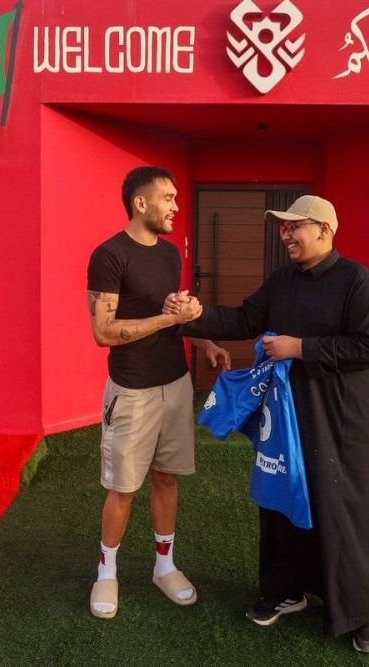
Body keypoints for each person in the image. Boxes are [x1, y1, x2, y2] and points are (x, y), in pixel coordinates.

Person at [168, 194, 369, 653]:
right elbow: (244, 319)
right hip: (289, 417)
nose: (285, 234)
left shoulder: (357, 281)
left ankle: (359, 610)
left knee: (343, 509)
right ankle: (285, 590)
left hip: (343, 422)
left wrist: (301, 348)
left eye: (294, 226)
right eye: (283, 227)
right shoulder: (283, 280)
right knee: (282, 500)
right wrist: (196, 314)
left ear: (324, 230)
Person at [86, 165, 230, 620]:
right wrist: (170, 319)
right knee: (123, 488)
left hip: (176, 383)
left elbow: (172, 316)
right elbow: (103, 332)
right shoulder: (109, 255)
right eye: (168, 198)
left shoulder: (169, 255)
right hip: (132, 390)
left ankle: (164, 567)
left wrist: (205, 342)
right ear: (140, 203)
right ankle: (106, 573)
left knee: (167, 477)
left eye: (176, 199)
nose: (175, 206)